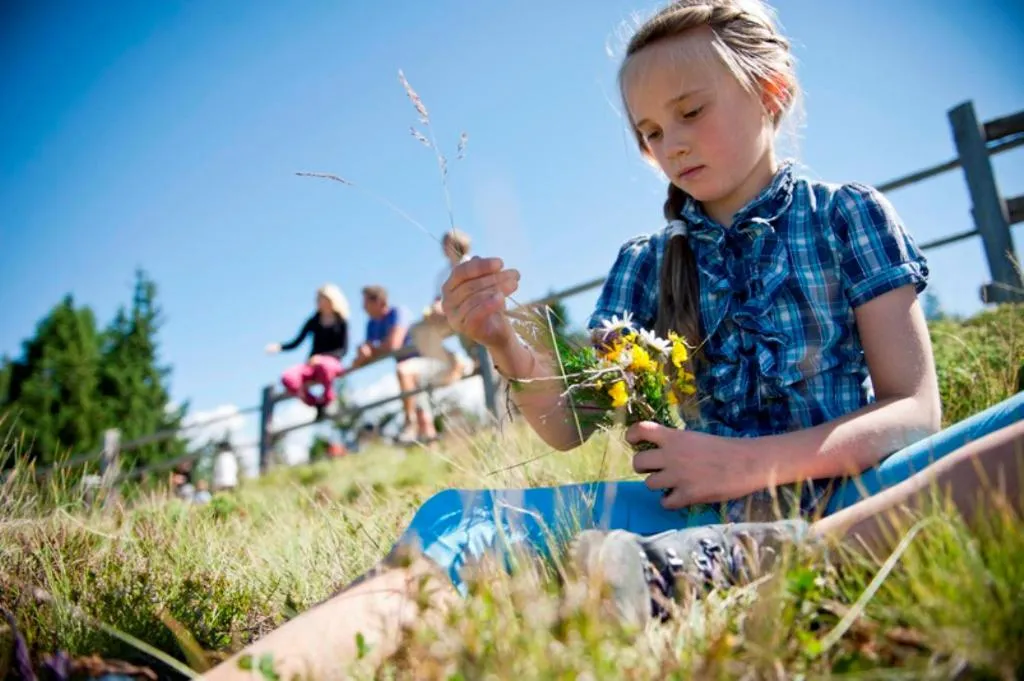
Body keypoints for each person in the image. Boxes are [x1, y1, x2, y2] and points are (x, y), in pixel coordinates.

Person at [199, 1, 1024, 676]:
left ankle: (761, 557)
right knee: (458, 518)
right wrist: (506, 347)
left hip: (863, 493)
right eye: (648, 132)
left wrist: (743, 464)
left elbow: (916, 411)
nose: (670, 144)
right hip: (672, 516)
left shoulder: (849, 216)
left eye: (690, 112)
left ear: (772, 91)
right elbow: (567, 421)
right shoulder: (646, 263)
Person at [352, 285, 437, 444]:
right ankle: (431, 450)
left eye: (365, 302)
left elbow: (393, 345)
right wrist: (363, 352)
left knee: (404, 372)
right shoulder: (371, 324)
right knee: (421, 411)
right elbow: (371, 350)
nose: (362, 307)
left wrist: (372, 349)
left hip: (425, 361)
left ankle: (409, 422)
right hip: (407, 368)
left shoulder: (398, 313)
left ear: (378, 301)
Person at [266, 284, 350, 420]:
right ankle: (316, 403)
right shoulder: (313, 321)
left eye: (320, 298)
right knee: (288, 377)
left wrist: (322, 358)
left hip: (331, 363)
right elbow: (296, 341)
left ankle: (328, 401)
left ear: (330, 299)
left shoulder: (341, 321)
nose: (317, 302)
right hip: (312, 365)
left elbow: (343, 350)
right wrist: (280, 347)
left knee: (325, 366)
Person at [412, 229, 478, 385]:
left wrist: (448, 306)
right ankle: (454, 362)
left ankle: (477, 358)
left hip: (471, 316)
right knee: (418, 331)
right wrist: (432, 311)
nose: (442, 245)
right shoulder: (442, 275)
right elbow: (437, 301)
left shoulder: (472, 264)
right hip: (448, 318)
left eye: (446, 241)